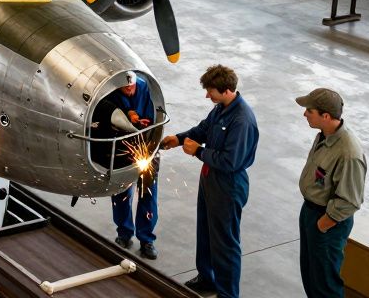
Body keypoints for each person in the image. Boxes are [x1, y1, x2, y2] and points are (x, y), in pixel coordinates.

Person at [161, 65, 259, 298]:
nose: (207, 95)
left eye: (210, 91)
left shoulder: (242, 120)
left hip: (228, 185)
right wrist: (179, 139)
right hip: (210, 179)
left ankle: (227, 294)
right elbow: (203, 129)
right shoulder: (221, 108)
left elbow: (230, 161)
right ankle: (207, 278)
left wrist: (197, 151)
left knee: (225, 243)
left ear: (226, 90)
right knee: (205, 231)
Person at [296, 88, 366, 298]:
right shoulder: (324, 136)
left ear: (325, 116)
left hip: (328, 221)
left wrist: (323, 224)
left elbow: (350, 201)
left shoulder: (348, 153)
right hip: (311, 211)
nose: (304, 114)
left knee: (325, 285)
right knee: (311, 277)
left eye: (310, 110)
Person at [107, 71, 160, 260]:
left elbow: (155, 117)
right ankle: (124, 233)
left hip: (146, 144)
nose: (129, 90)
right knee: (121, 192)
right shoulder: (110, 90)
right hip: (121, 146)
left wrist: (142, 123)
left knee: (148, 193)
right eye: (125, 88)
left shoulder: (145, 87)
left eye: (132, 87)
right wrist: (128, 115)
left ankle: (147, 239)